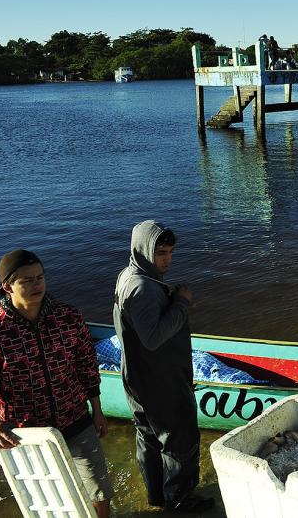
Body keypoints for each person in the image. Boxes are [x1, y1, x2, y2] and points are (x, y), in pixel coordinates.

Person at [0, 249, 113, 517]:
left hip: (76, 418)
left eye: (40, 277)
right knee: (46, 497)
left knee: (98, 488)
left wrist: (98, 410)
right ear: (7, 286)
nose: (37, 284)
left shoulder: (68, 317)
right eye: (28, 280)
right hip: (27, 433)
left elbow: (86, 366)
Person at [113, 220, 214, 513]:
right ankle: (181, 500)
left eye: (170, 252)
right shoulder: (142, 287)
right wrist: (181, 303)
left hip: (138, 376)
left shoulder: (129, 275)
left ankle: (158, 496)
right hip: (160, 379)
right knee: (179, 439)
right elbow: (154, 337)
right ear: (143, 249)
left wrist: (170, 299)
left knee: (148, 436)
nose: (167, 260)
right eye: (161, 253)